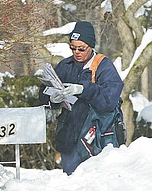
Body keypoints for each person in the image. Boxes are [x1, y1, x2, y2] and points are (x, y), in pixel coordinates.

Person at [39, 21, 124, 175]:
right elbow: (43, 95)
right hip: (69, 138)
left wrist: (83, 89)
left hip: (97, 140)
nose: (76, 52)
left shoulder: (104, 67)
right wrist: (52, 99)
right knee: (72, 186)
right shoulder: (65, 66)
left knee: (95, 184)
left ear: (91, 46)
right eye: (73, 47)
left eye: (81, 48)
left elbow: (109, 101)